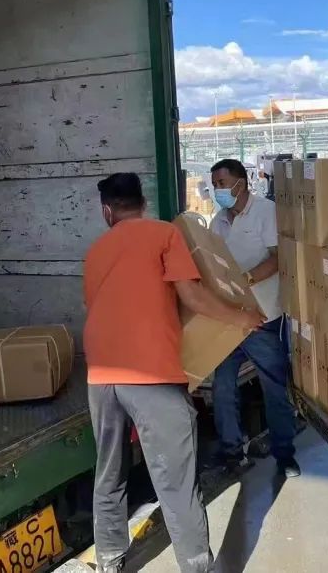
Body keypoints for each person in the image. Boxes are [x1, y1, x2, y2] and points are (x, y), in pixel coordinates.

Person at [83, 172, 266, 573]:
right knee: (176, 480)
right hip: (150, 374)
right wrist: (243, 317)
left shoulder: (95, 250)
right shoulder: (164, 234)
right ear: (143, 203)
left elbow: (99, 307)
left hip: (100, 375)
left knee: (109, 472)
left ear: (107, 211)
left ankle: (109, 559)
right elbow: (193, 297)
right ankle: (196, 566)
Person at [209, 158, 301, 478]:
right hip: (230, 319)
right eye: (214, 185)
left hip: (263, 318)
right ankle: (232, 452)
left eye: (222, 183)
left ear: (241, 183)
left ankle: (284, 455)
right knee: (222, 387)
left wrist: (246, 279)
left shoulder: (265, 212)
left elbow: (278, 258)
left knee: (273, 388)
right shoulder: (218, 222)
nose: (217, 190)